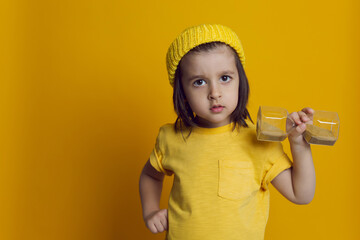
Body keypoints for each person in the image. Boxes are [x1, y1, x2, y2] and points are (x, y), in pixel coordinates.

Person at [139, 24, 316, 240]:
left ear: (240, 80)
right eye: (199, 82)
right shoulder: (170, 138)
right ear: (182, 91)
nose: (215, 93)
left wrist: (298, 144)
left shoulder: (259, 139)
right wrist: (150, 211)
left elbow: (302, 194)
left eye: (225, 78)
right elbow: (150, 175)